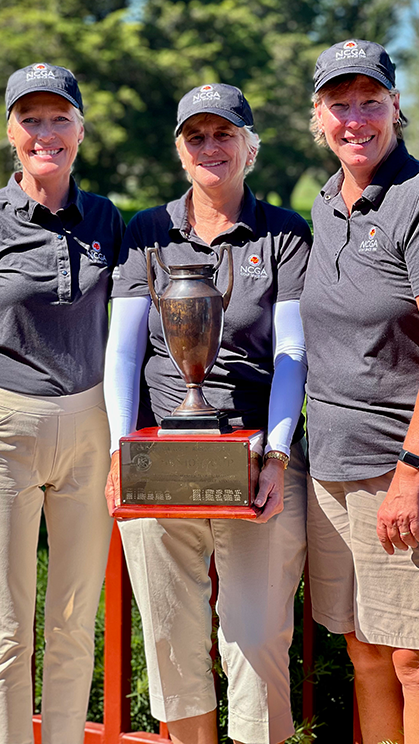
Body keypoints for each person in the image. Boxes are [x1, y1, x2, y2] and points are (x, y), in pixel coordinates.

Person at [104, 83, 311, 744]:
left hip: (256, 463)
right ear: (179, 149)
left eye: (225, 134)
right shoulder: (147, 232)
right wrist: (119, 452)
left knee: (256, 637)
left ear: (249, 147)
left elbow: (293, 354)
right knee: (170, 640)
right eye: (196, 135)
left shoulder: (283, 233)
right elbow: (123, 350)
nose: (211, 147)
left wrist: (278, 452)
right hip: (160, 463)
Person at [300, 39, 419, 744]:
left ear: (395, 106)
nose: (355, 119)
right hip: (336, 466)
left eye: (369, 102)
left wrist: (412, 474)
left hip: (413, 466)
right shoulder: (327, 203)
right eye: (338, 104)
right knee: (367, 650)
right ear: (317, 115)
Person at [0, 62, 124, 744]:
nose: (46, 133)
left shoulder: (106, 218)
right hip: (3, 431)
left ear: (80, 127)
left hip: (89, 429)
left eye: (59, 118)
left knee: (75, 621)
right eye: (30, 119)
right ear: (10, 131)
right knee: (8, 627)